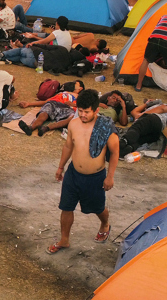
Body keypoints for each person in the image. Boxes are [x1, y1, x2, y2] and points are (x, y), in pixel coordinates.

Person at [48, 89, 118, 254]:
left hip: (95, 177)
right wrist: (60, 167)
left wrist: (110, 177)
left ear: (96, 110)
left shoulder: (105, 127)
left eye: (87, 112)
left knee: (98, 208)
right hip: (73, 174)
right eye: (80, 111)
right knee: (66, 207)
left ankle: (105, 225)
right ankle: (64, 240)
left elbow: (115, 152)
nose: (83, 115)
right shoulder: (73, 123)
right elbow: (68, 146)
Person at [17, 81, 85, 136]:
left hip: (70, 109)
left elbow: (86, 108)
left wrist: (74, 105)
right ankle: (31, 127)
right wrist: (29, 104)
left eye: (76, 84)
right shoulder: (62, 93)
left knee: (72, 117)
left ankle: (46, 128)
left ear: (80, 89)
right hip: (55, 104)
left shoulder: (81, 96)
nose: (73, 84)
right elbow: (46, 101)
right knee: (45, 110)